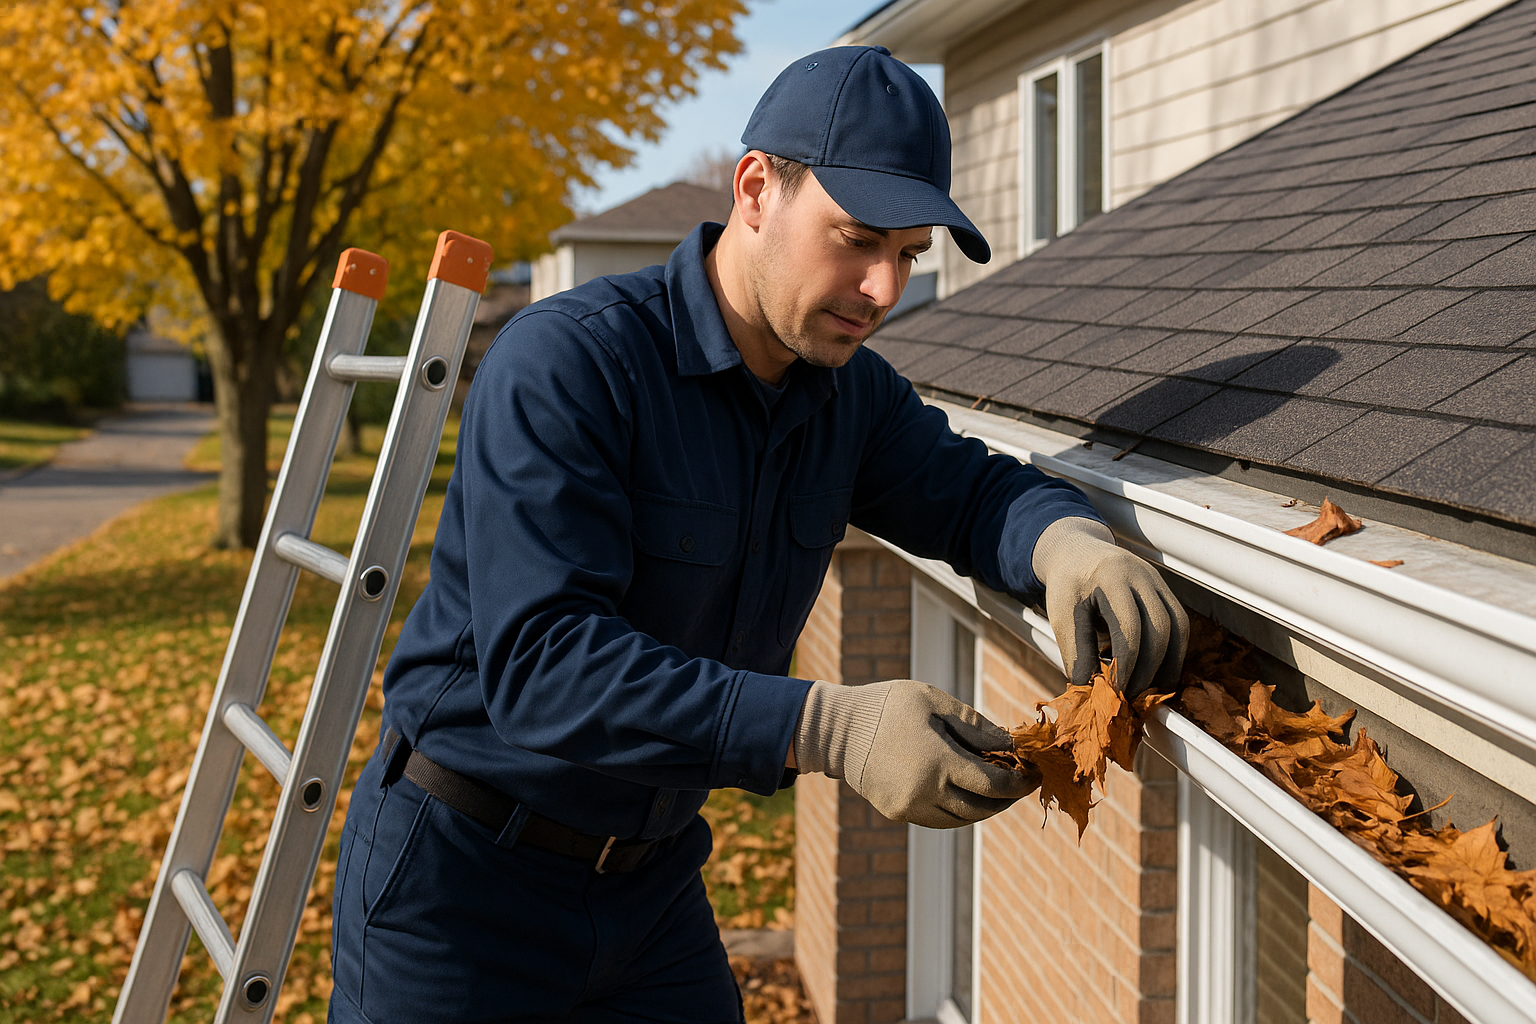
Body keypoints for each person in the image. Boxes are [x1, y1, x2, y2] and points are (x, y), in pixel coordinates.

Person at [327, 45, 1187, 1024]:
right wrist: (830, 727)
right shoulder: (571, 364)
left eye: (906, 255)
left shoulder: (846, 397)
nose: (881, 290)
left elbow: (968, 493)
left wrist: (1067, 542)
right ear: (753, 190)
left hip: (649, 892)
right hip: (462, 886)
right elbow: (545, 666)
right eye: (856, 239)